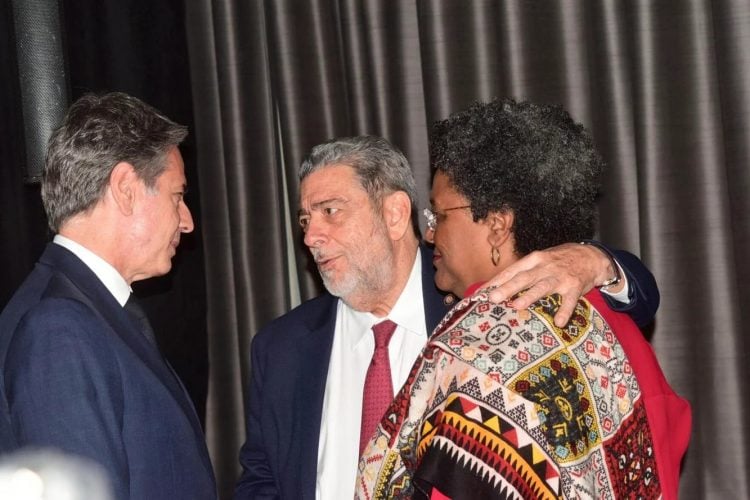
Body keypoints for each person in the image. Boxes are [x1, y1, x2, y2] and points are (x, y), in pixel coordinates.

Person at [234, 135, 661, 499]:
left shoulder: (485, 307)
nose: (310, 236)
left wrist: (595, 258)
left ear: (396, 214)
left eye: (331, 211)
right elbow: (261, 482)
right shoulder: (281, 348)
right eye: (305, 218)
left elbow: (635, 301)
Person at [355, 99, 691, 499]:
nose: (430, 235)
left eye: (440, 216)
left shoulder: (479, 342)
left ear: (497, 226)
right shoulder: (614, 323)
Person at [0, 92, 217, 500]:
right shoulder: (58, 329)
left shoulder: (83, 310)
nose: (187, 221)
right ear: (126, 189)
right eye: (177, 195)